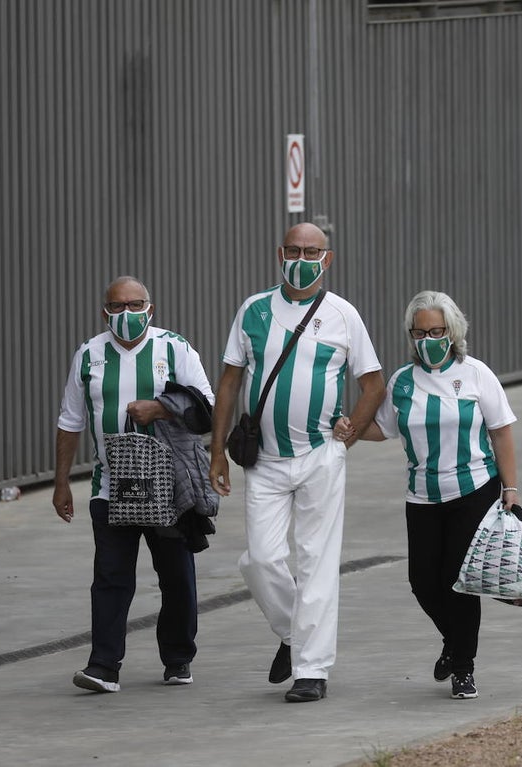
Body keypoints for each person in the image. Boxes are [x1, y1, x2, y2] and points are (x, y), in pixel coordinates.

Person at [209, 222, 385, 703]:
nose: (301, 259)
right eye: (293, 250)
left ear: (327, 260)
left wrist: (348, 436)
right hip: (262, 459)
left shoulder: (342, 315)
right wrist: (216, 451)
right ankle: (292, 634)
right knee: (261, 559)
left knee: (316, 563)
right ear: (279, 253)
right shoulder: (253, 310)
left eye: (312, 252)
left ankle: (312, 669)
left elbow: (373, 382)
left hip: (319, 456)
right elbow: (228, 381)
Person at [350, 291, 520, 700]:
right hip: (422, 495)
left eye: (436, 331)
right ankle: (454, 640)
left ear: (453, 331)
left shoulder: (477, 374)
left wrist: (511, 487)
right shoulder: (402, 382)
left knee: (458, 581)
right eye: (420, 332)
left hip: (474, 489)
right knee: (423, 582)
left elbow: (501, 431)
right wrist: (345, 429)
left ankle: (463, 667)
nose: (428, 339)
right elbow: (384, 428)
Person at [54, 276, 215, 693]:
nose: (126, 314)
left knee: (176, 575)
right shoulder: (88, 355)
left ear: (151, 306)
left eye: (135, 304)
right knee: (110, 576)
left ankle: (178, 658)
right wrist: (60, 483)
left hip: (167, 488)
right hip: (110, 486)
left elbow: (207, 407)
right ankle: (103, 666)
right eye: (117, 306)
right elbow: (70, 422)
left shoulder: (174, 348)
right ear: (104, 310)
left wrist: (160, 408)